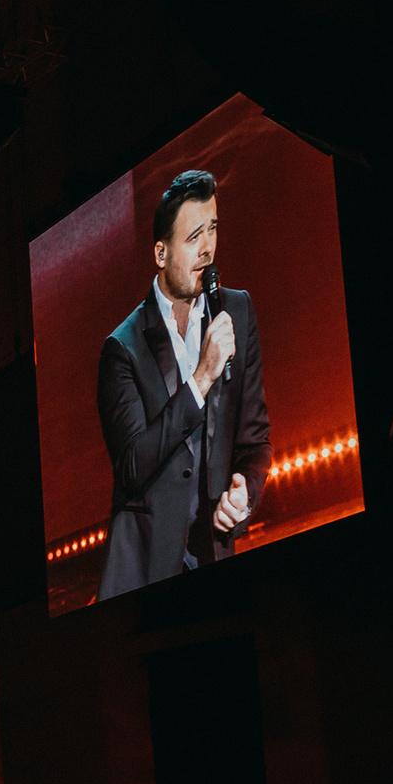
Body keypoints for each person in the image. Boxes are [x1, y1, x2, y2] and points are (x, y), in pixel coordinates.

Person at [94, 168, 272, 601]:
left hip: (213, 554)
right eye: (193, 237)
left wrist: (244, 493)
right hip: (146, 567)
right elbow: (131, 468)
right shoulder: (122, 347)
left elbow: (254, 439)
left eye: (213, 229)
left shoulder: (236, 312)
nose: (208, 247)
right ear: (161, 252)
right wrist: (201, 378)